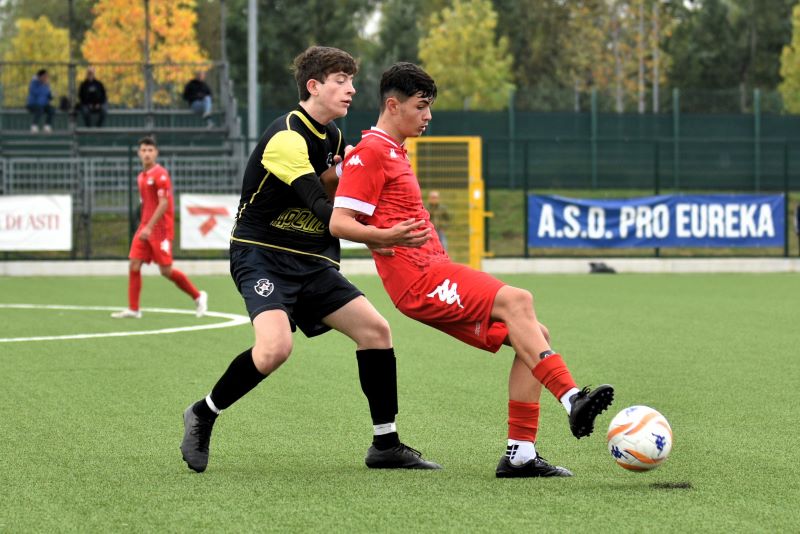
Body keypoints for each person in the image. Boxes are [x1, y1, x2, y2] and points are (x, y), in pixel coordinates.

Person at [330, 62, 615, 478]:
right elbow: (339, 222)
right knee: (518, 300)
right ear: (393, 105)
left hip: (433, 272)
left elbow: (342, 182)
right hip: (420, 280)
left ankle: (520, 454)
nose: (428, 116)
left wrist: (340, 176)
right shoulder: (372, 151)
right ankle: (572, 398)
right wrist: (386, 235)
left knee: (534, 336)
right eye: (421, 107)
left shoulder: (388, 150)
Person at [179, 46, 439, 473]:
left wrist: (345, 171)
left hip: (311, 259)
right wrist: (376, 234)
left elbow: (331, 190)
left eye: (352, 81)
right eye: (340, 80)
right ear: (313, 86)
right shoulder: (287, 136)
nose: (351, 89)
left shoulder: (333, 137)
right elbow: (320, 205)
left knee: (375, 331)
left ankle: (385, 444)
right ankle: (203, 413)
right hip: (262, 255)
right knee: (275, 349)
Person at [111, 137, 208, 319]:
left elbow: (164, 203)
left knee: (166, 271)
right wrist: (145, 225)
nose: (147, 154)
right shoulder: (141, 176)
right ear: (139, 153)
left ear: (156, 153)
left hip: (160, 230)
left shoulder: (160, 174)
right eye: (143, 150)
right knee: (134, 264)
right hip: (145, 227)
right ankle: (134, 309)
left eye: (150, 150)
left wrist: (149, 227)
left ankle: (198, 296)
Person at [26, 69, 54, 133]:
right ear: (39, 76)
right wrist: (43, 85)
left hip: (43, 105)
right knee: (39, 109)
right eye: (44, 76)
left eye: (47, 76)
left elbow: (48, 95)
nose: (46, 78)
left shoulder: (46, 85)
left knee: (51, 110)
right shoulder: (34, 83)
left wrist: (51, 96)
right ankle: (34, 126)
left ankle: (47, 126)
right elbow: (37, 93)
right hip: (32, 104)